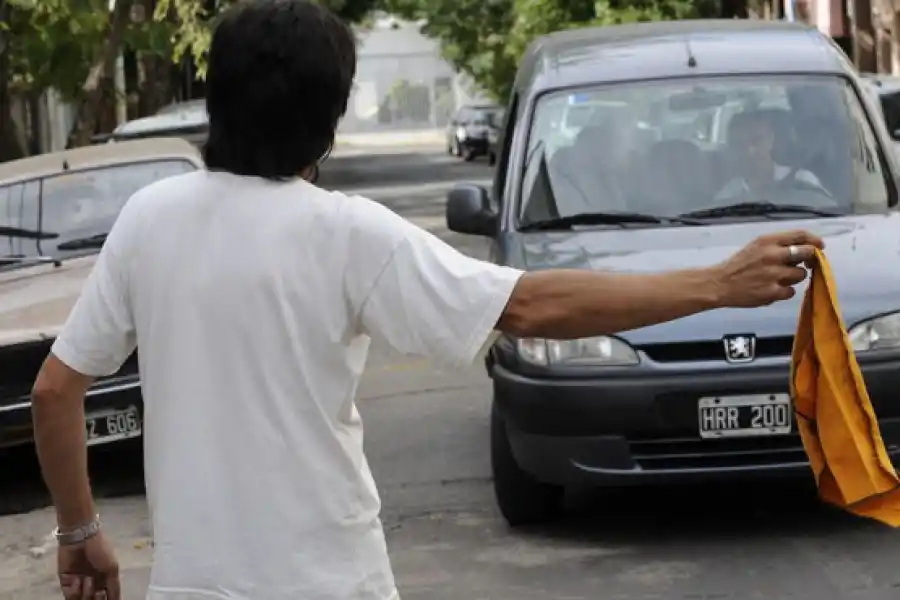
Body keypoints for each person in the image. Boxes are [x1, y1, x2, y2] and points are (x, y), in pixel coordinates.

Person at [30, 2, 823, 600]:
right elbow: (529, 307)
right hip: (329, 582)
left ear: (218, 100)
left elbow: (56, 389)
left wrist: (81, 532)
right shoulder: (346, 234)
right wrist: (716, 284)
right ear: (328, 117)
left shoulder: (150, 218)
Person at [714, 109, 826, 201]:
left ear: (771, 139)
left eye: (756, 140)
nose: (750, 150)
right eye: (739, 144)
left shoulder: (804, 181)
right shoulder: (727, 197)